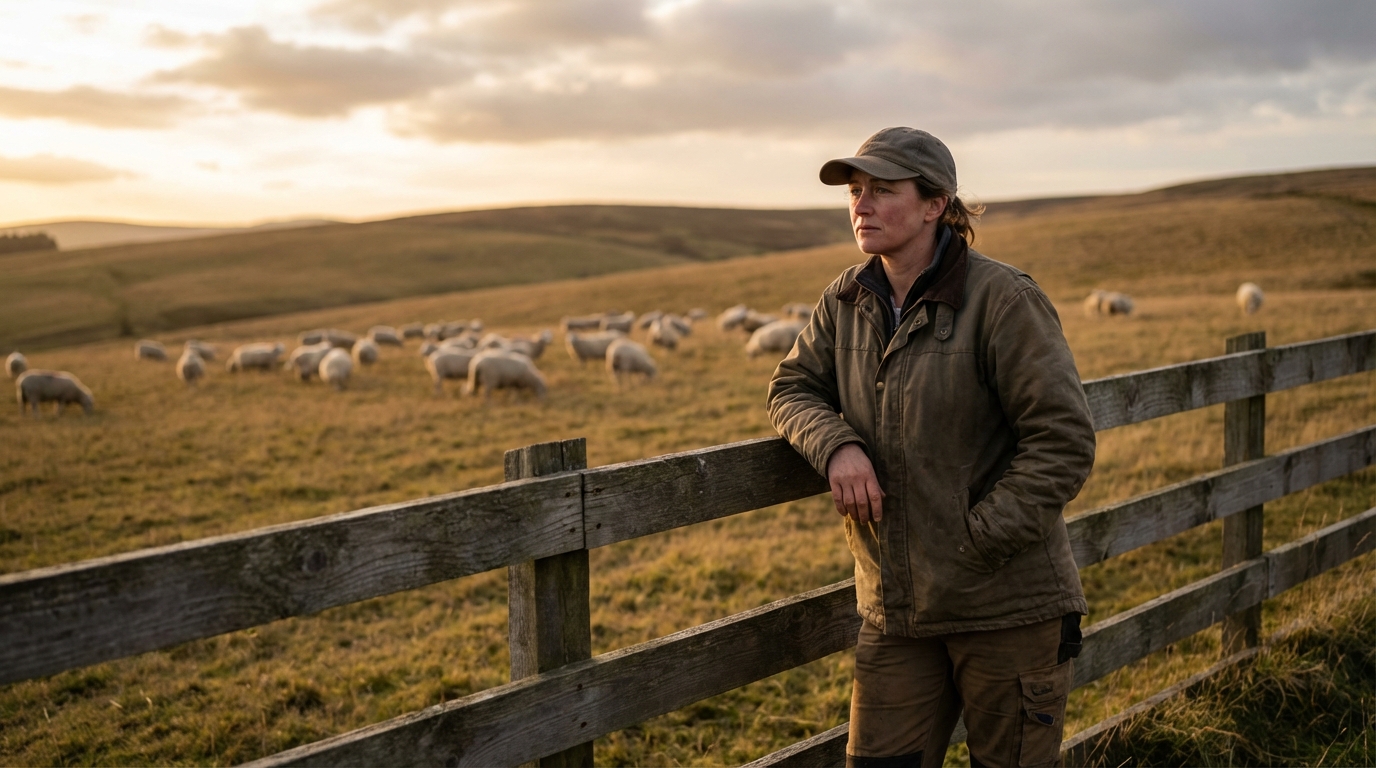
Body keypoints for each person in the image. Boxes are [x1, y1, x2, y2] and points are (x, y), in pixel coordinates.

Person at [766, 127, 1096, 768]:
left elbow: (1063, 441)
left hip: (1006, 604)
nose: (860, 204)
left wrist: (976, 540)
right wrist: (837, 446)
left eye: (882, 190)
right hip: (897, 613)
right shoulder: (847, 299)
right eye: (856, 191)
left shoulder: (1003, 301)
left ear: (934, 204)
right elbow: (792, 387)